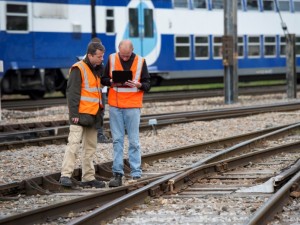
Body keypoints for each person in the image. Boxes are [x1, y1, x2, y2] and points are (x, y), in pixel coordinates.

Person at [101, 39, 151, 187]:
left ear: (132, 50)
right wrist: (112, 83)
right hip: (116, 106)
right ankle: (117, 173)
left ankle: (136, 172)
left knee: (134, 141)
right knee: (117, 140)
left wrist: (139, 84)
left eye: (127, 55)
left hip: (133, 106)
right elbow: (103, 79)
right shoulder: (111, 58)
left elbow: (148, 84)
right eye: (122, 55)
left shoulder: (141, 61)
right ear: (118, 49)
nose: (124, 58)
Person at [59, 41, 106, 188]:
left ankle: (88, 177)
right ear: (90, 55)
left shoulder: (98, 69)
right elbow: (72, 94)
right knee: (73, 144)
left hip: (93, 115)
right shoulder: (78, 68)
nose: (101, 59)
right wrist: (74, 114)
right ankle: (65, 176)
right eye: (99, 56)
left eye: (102, 56)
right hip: (79, 115)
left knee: (90, 148)